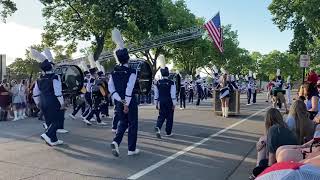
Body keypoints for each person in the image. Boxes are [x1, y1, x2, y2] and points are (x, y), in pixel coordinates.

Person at [109, 28, 139, 157]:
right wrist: (126, 103)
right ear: (127, 58)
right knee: (132, 124)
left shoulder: (113, 72)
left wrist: (120, 101)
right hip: (129, 102)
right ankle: (131, 149)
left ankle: (116, 141)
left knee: (122, 122)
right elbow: (129, 88)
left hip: (119, 101)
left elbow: (111, 89)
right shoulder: (132, 71)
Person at [31, 48, 64, 146]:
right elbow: (58, 92)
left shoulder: (39, 79)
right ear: (51, 67)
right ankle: (47, 134)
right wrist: (62, 103)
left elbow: (35, 93)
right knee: (58, 121)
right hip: (53, 101)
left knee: (49, 121)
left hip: (42, 101)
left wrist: (37, 103)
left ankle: (53, 140)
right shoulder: (55, 77)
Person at [252, 108, 298, 178]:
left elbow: (271, 161)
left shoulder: (273, 130)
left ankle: (257, 174)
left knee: (261, 164)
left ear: (267, 120)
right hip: (291, 162)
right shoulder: (287, 128)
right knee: (263, 140)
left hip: (280, 164)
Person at [154, 55, 176, 138]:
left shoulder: (158, 82)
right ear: (168, 73)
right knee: (169, 117)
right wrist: (174, 104)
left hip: (160, 101)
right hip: (169, 101)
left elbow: (156, 94)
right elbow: (173, 94)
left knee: (161, 116)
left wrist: (156, 103)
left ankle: (158, 127)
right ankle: (168, 132)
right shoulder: (171, 82)